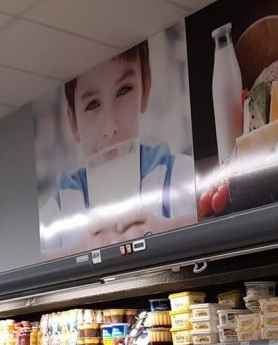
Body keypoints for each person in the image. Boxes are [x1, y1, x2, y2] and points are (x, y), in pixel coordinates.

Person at [39, 41, 196, 257]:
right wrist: (78, 253)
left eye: (124, 90)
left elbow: (223, 214)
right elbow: (27, 258)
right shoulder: (62, 205)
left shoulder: (177, 175)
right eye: (92, 104)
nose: (110, 126)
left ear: (145, 88)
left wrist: (167, 233)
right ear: (73, 122)